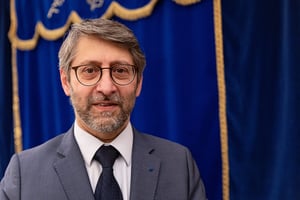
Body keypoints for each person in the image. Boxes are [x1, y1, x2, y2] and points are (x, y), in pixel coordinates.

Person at [0, 18, 207, 200]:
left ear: (139, 83)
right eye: (89, 70)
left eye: (120, 71)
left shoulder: (179, 165)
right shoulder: (24, 174)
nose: (107, 87)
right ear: (66, 82)